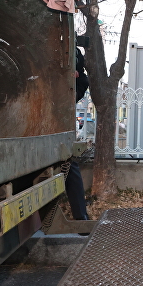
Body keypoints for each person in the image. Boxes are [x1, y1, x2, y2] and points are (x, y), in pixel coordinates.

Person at [65, 46, 90, 222]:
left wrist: (75, 79)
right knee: (69, 164)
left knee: (68, 163)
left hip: (60, 119)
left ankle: (81, 218)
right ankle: (81, 217)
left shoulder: (75, 52)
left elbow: (83, 82)